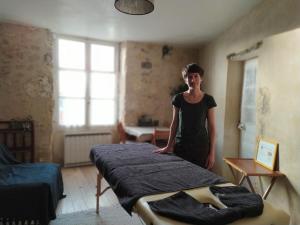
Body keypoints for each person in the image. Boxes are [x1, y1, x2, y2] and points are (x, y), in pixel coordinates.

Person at [155, 63, 216, 169]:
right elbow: (174, 123)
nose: (192, 80)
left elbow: (212, 127)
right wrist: (168, 146)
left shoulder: (208, 100)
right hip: (181, 146)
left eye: (196, 76)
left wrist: (212, 153)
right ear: (185, 80)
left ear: (201, 78)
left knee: (200, 179)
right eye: (189, 77)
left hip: (201, 148)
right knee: (180, 178)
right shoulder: (178, 98)